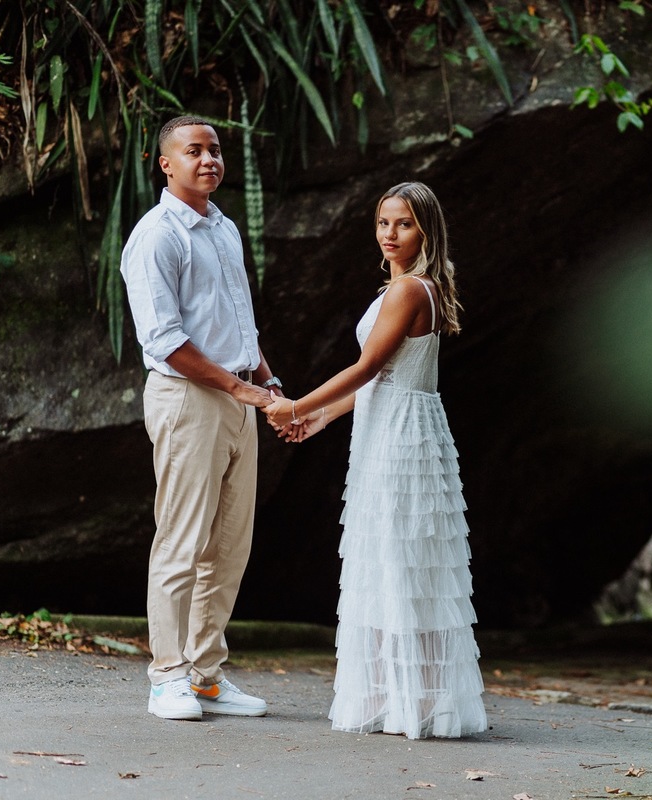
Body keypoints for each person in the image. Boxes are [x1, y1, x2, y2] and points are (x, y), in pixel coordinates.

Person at [264, 181, 487, 739]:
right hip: (393, 425)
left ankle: (415, 703)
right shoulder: (410, 288)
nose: (390, 234)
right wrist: (323, 418)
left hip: (400, 438)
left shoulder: (410, 291)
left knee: (402, 560)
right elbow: (385, 379)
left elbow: (366, 369)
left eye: (404, 224)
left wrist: (297, 403)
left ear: (426, 230)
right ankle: (402, 700)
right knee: (397, 560)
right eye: (384, 223)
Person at [121, 115, 281, 722]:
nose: (208, 158)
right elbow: (165, 340)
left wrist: (268, 384)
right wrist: (246, 391)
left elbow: (242, 324)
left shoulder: (224, 227)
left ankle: (206, 673)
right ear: (166, 163)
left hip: (238, 397)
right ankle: (167, 676)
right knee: (182, 540)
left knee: (230, 547)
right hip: (188, 400)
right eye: (194, 150)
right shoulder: (158, 236)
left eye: (214, 149)